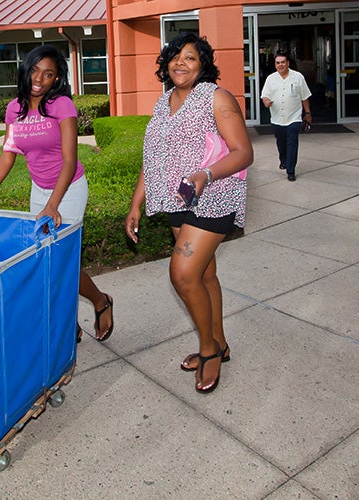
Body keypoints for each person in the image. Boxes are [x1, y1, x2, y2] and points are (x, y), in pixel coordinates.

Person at [0, 45, 115, 343]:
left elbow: (70, 160)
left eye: (48, 74)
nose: (39, 79)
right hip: (39, 191)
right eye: (34, 70)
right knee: (47, 260)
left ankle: (96, 303)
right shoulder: (14, 109)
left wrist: (54, 205)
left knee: (61, 259)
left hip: (68, 189)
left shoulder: (61, 105)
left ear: (56, 79)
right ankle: (79, 314)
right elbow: (7, 157)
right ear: (25, 70)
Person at [124, 33, 253, 394]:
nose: (181, 63)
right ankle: (221, 344)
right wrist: (136, 203)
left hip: (212, 199)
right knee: (204, 276)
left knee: (182, 274)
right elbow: (152, 160)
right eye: (175, 57)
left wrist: (206, 174)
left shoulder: (217, 98)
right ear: (166, 64)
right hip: (174, 202)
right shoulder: (162, 103)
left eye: (191, 58)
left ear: (203, 65)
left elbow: (243, 152)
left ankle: (209, 351)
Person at [260, 52, 312, 182]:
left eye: (283, 62)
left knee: (292, 143)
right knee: (281, 143)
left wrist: (308, 113)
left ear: (288, 63)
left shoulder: (298, 77)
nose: (280, 65)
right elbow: (265, 95)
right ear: (275, 65)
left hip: (294, 117)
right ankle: (283, 159)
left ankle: (291, 170)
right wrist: (266, 102)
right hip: (277, 118)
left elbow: (304, 96)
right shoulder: (271, 79)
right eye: (278, 63)